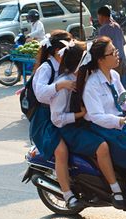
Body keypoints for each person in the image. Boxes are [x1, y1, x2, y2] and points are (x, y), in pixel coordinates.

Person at [75, 36, 126, 203]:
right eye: (112, 52)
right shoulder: (92, 85)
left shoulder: (114, 75)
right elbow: (97, 116)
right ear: (100, 60)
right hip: (106, 128)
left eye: (116, 51)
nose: (117, 54)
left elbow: (124, 101)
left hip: (121, 122)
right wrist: (121, 120)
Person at [50, 39, 125, 207]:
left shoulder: (86, 77)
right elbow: (57, 119)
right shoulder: (65, 84)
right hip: (69, 128)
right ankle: (115, 189)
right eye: (86, 58)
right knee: (102, 147)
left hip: (83, 122)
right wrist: (79, 114)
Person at [29, 30, 79, 209]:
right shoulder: (46, 68)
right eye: (66, 49)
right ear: (55, 51)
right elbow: (41, 94)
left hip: (62, 114)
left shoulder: (66, 67)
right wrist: (60, 85)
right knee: (61, 151)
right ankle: (67, 194)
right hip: (44, 121)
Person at [97, 5, 126, 93]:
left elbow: (101, 49)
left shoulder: (103, 29)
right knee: (124, 89)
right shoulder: (117, 26)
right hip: (122, 61)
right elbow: (123, 43)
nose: (98, 19)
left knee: (116, 91)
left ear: (102, 16)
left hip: (113, 62)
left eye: (98, 17)